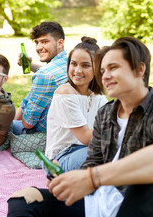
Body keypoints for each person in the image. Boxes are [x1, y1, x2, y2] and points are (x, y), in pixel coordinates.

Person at [7, 37, 153, 217]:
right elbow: (93, 158)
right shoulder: (107, 112)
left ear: (139, 70)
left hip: (132, 203)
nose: (106, 76)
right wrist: (70, 178)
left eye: (113, 68)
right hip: (97, 203)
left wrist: (92, 178)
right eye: (103, 70)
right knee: (23, 199)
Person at [45, 37, 108, 172]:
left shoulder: (99, 96)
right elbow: (86, 137)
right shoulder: (65, 92)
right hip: (62, 156)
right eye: (73, 64)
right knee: (104, 155)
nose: (77, 70)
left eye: (85, 65)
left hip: (90, 149)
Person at [13, 21, 68, 135]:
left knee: (0, 126)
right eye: (37, 42)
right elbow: (48, 72)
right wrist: (30, 66)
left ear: (60, 43)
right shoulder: (70, 63)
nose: (38, 47)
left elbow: (28, 124)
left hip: (44, 133)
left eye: (44, 42)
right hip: (65, 128)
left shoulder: (44, 75)